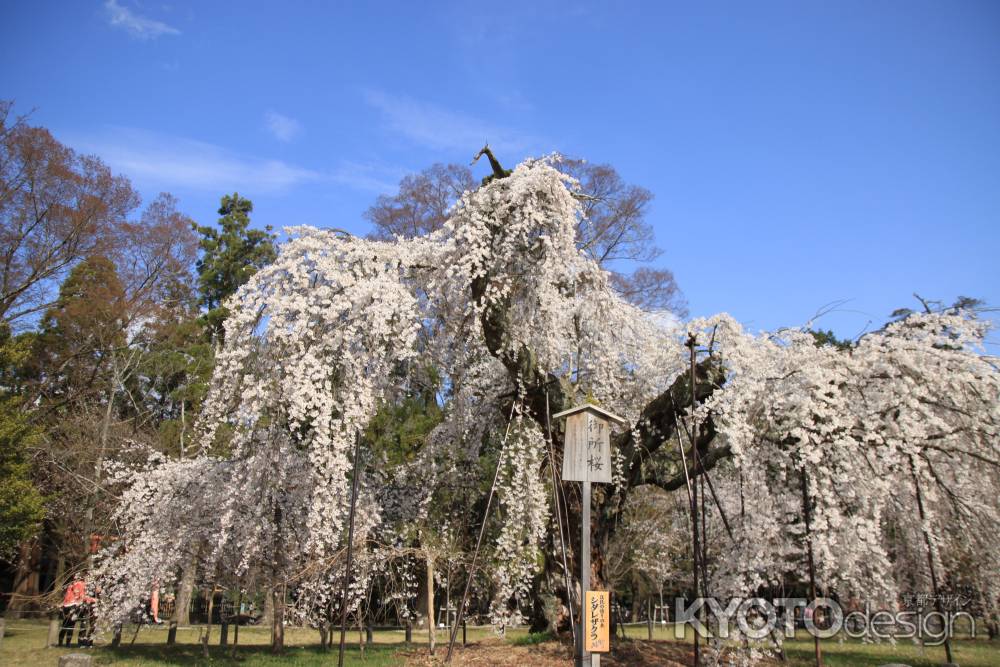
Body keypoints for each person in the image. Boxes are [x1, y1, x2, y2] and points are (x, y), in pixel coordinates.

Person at [58, 573, 87, 646]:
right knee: (70, 625)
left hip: (67, 605)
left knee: (65, 624)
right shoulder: (81, 584)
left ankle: (61, 643)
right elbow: (81, 596)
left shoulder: (71, 585)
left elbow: (67, 596)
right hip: (73, 605)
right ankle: (67, 643)